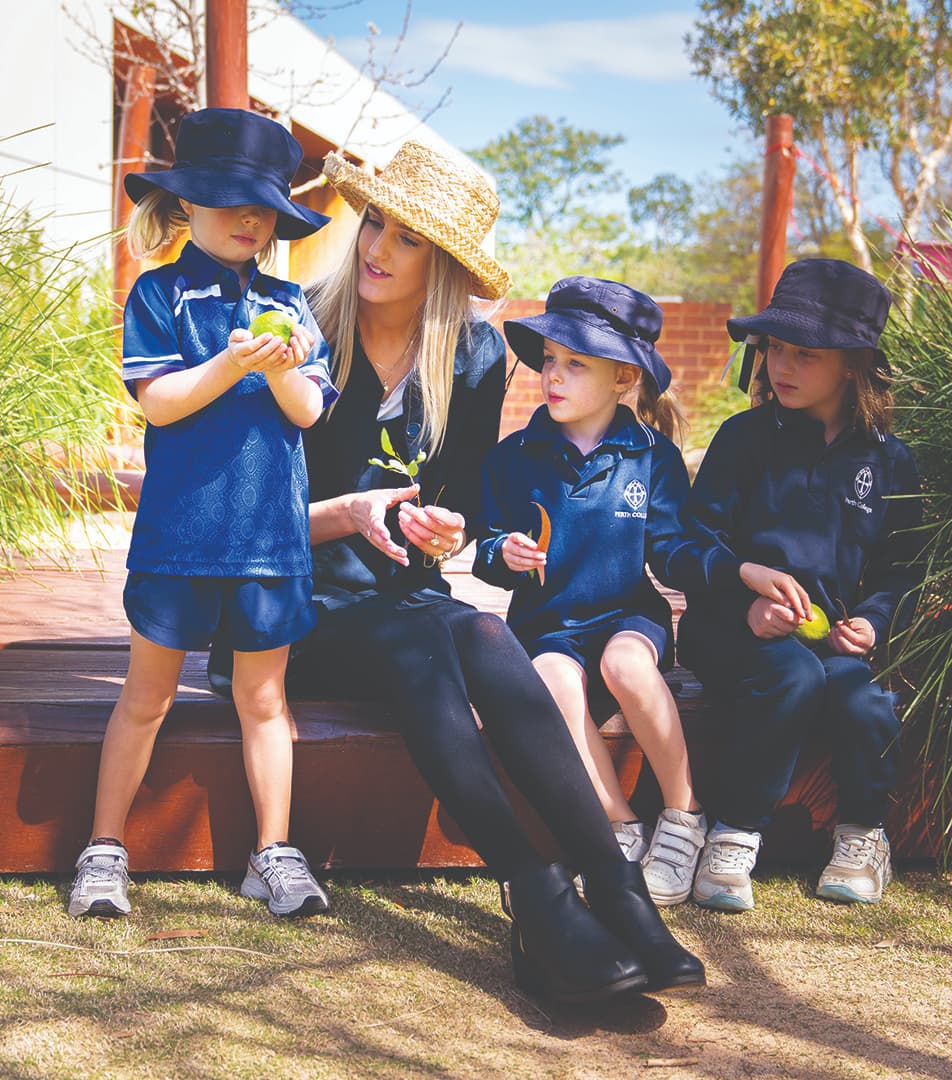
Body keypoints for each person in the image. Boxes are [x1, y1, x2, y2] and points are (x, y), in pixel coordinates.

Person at [289, 143, 702, 1001]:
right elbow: (253, 520)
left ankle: (613, 883)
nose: (376, 249)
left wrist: (445, 529)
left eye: (407, 239)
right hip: (301, 598)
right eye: (376, 224)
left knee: (478, 627)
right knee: (417, 652)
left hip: (402, 592)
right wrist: (349, 514)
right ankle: (536, 893)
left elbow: (463, 503)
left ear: (440, 265)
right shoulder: (302, 331)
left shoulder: (472, 356)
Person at [69, 108, 336, 920]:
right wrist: (229, 361)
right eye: (228, 202)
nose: (249, 220)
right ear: (186, 206)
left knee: (265, 703)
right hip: (180, 540)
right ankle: (105, 850)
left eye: (263, 208)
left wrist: (284, 367)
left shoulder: (292, 303)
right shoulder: (159, 294)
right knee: (145, 699)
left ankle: (274, 854)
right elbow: (159, 403)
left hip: (270, 545)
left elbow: (308, 415)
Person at [668, 258, 925, 912]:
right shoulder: (742, 440)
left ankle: (863, 837)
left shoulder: (890, 461)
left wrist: (872, 618)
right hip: (728, 633)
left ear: (853, 363)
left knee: (866, 701)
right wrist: (742, 589)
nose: (780, 365)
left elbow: (904, 568)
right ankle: (733, 834)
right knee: (792, 676)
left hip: (825, 646)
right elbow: (682, 546)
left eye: (803, 353)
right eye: (775, 348)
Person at [473, 277, 709, 908]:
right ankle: (618, 825)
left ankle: (684, 818)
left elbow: (669, 546)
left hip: (629, 614)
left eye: (576, 364)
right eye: (550, 360)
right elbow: (488, 547)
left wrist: (717, 570)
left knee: (626, 663)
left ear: (623, 379)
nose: (554, 376)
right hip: (549, 623)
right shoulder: (513, 458)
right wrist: (506, 554)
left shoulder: (652, 457)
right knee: (552, 679)